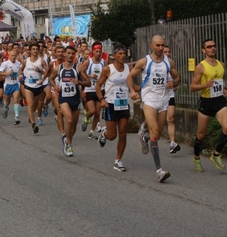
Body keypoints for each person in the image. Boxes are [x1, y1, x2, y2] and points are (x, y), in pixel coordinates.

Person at [127, 35, 180, 182]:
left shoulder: (169, 62)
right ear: (151, 46)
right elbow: (130, 77)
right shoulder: (144, 61)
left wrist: (173, 84)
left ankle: (144, 137)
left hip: (164, 100)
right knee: (155, 131)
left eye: (162, 45)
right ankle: (159, 170)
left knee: (156, 134)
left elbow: (177, 78)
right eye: (158, 45)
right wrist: (132, 91)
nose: (161, 48)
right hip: (149, 99)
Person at [96, 45, 140, 171]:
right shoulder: (107, 69)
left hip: (123, 104)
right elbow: (98, 86)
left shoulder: (129, 68)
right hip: (110, 104)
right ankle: (104, 133)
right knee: (112, 136)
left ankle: (118, 160)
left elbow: (133, 85)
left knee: (123, 133)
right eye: (120, 53)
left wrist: (145, 88)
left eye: (124, 53)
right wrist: (102, 99)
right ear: (114, 56)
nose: (122, 56)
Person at [190, 39, 227, 172]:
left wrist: (224, 90)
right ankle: (196, 158)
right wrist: (205, 85)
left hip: (220, 102)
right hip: (206, 103)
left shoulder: (221, 65)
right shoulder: (201, 66)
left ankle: (216, 154)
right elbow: (192, 87)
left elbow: (220, 83)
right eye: (209, 47)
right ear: (203, 50)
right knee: (201, 135)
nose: (212, 48)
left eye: (214, 46)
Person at [50, 46, 91, 157]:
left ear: (75, 55)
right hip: (63, 98)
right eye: (68, 53)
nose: (70, 55)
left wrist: (79, 83)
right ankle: (69, 144)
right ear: (64, 54)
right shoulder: (58, 68)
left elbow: (89, 83)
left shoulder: (79, 68)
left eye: (72, 53)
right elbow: (51, 79)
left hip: (75, 99)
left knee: (73, 126)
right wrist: (55, 86)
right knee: (69, 120)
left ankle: (67, 139)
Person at [19, 43, 47, 134]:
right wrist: (20, 74)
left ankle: (30, 117)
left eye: (36, 49)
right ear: (30, 51)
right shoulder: (26, 61)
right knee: (30, 105)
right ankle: (33, 124)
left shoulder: (41, 61)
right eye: (33, 49)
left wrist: (39, 70)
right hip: (28, 86)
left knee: (35, 105)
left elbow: (47, 72)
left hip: (38, 86)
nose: (35, 50)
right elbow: (21, 69)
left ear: (38, 50)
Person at [82, 43, 107, 139]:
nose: (98, 53)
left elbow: (108, 73)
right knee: (92, 111)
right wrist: (90, 76)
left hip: (100, 90)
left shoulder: (103, 62)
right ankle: (86, 118)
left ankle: (91, 132)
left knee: (97, 113)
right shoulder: (88, 62)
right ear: (93, 52)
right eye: (96, 51)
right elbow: (82, 74)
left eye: (100, 51)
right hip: (90, 89)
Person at [0, 50, 22, 125]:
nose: (14, 57)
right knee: (7, 102)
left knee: (16, 100)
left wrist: (20, 75)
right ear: (9, 55)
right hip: (8, 85)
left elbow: (21, 71)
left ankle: (17, 117)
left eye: (15, 55)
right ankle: (5, 108)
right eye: (12, 55)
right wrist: (7, 73)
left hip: (16, 84)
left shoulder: (18, 63)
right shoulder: (5, 64)